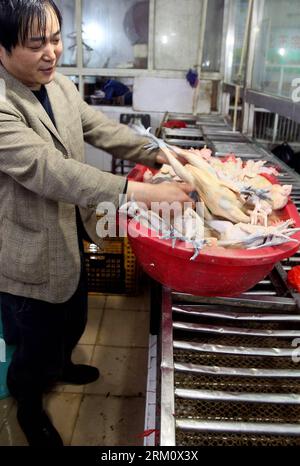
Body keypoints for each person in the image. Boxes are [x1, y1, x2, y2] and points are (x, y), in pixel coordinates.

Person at [0, 0, 192, 447]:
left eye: (56, 38)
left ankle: (63, 365)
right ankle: (30, 406)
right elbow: (50, 170)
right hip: (27, 246)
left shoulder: (60, 85)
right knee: (33, 342)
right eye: (36, 43)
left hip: (71, 233)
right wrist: (143, 191)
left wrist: (162, 154)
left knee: (72, 316)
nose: (52, 52)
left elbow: (103, 129)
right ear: (3, 48)